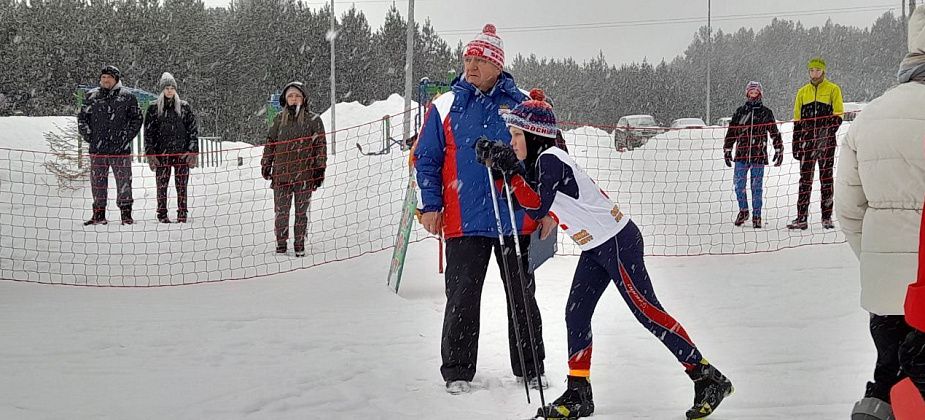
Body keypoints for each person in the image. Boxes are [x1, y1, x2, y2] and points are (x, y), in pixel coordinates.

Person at [484, 89, 733, 419]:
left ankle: (706, 376)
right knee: (576, 314)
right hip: (595, 247)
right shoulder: (539, 162)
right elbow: (520, 199)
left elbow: (536, 205)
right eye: (511, 136)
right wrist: (499, 168)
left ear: (534, 135)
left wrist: (511, 172)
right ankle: (578, 393)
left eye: (517, 135)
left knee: (647, 311)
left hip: (617, 242)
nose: (513, 141)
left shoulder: (551, 160)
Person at [413, 23, 546, 394]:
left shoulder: (523, 104)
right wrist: (430, 205)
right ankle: (457, 370)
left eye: (479, 60)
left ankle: (531, 366)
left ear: (497, 66)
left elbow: (545, 158)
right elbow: (426, 159)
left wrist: (547, 212)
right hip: (463, 218)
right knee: (462, 297)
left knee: (522, 295)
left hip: (514, 217)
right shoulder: (445, 106)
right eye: (467, 58)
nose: (470, 66)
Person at [836, 7, 925, 419]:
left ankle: (878, 406)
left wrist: (879, 260)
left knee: (890, 375)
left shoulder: (869, 117)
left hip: (885, 294)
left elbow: (849, 212)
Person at [260, 81, 326, 257]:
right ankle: (281, 244)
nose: (294, 98)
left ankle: (299, 244)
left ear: (303, 98)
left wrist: (320, 169)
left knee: (301, 212)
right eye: (290, 96)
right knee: (281, 212)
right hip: (281, 176)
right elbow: (270, 143)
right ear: (285, 99)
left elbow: (320, 146)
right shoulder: (277, 120)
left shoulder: (314, 120)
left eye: (297, 95)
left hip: (305, 175)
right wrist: (266, 163)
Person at [78, 65, 143, 225]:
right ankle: (98, 215)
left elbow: (137, 119)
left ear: (116, 79)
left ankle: (126, 215)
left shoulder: (128, 97)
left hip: (120, 150)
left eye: (109, 77)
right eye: (103, 77)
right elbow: (82, 119)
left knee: (124, 182)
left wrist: (125, 136)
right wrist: (90, 136)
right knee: (98, 183)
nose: (106, 80)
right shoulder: (91, 96)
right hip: (97, 149)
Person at [789, 57, 844, 230]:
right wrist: (796, 143)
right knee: (805, 180)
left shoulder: (833, 89)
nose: (815, 73)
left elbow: (838, 115)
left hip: (826, 143)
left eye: (818, 70)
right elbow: (797, 120)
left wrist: (825, 134)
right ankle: (801, 218)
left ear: (823, 71)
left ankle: (826, 217)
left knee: (826, 178)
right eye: (812, 70)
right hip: (807, 143)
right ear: (809, 72)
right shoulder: (802, 92)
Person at [722, 81, 783, 229]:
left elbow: (774, 132)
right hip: (742, 155)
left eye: (756, 93)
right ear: (747, 94)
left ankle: (757, 215)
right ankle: (743, 211)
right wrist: (727, 148)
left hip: (758, 155)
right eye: (751, 92)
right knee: (739, 185)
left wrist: (778, 148)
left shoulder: (766, 112)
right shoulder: (740, 111)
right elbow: (732, 132)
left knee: (757, 187)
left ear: (760, 94)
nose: (753, 95)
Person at [144, 72, 199, 223]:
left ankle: (182, 212)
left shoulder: (184, 107)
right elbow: (148, 133)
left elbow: (192, 130)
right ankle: (162, 212)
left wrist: (192, 150)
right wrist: (151, 153)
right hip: (162, 154)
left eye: (172, 88)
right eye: (166, 88)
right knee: (161, 185)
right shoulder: (154, 108)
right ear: (162, 90)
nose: (169, 90)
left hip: (182, 154)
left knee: (182, 185)